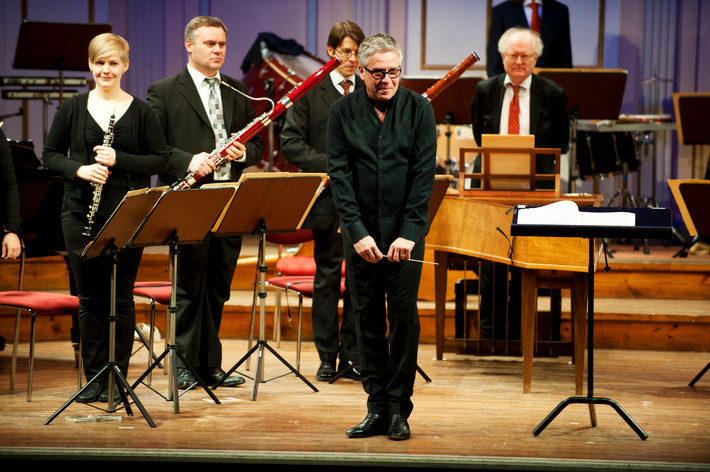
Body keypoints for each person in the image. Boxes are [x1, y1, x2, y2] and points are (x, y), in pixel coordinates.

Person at [42, 33, 169, 403]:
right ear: (90, 65)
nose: (105, 70)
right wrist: (80, 170)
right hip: (79, 213)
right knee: (90, 300)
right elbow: (50, 154)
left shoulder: (142, 111)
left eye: (113, 63)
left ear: (125, 66)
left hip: (127, 213)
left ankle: (117, 379)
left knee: (121, 298)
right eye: (99, 62)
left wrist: (120, 160)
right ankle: (94, 378)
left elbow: (160, 160)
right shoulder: (73, 108)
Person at [327, 33, 437, 440]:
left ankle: (399, 409)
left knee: (403, 320)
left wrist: (409, 233)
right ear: (361, 71)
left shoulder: (418, 109)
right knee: (366, 320)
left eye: (394, 72)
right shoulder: (341, 112)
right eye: (379, 73)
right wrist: (356, 233)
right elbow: (339, 176)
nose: (387, 79)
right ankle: (375, 407)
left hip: (404, 237)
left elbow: (423, 176)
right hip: (361, 237)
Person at [147, 16, 264, 389]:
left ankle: (209, 364)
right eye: (210, 44)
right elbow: (155, 150)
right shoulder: (163, 91)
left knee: (218, 286)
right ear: (189, 45)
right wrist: (188, 160)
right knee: (188, 285)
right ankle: (181, 365)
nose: (218, 51)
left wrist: (246, 152)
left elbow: (260, 144)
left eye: (222, 45)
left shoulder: (237, 89)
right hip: (189, 200)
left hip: (229, 199)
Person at [470, 26, 570, 340]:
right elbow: (478, 134)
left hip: (536, 188)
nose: (519, 61)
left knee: (525, 259)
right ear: (502, 57)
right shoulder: (485, 89)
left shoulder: (553, 93)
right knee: (491, 259)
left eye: (526, 55)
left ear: (536, 58)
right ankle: (490, 332)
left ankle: (521, 331)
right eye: (513, 54)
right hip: (491, 184)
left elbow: (561, 143)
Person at [280, 21, 365, 382]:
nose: (352, 58)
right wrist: (335, 165)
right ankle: (328, 356)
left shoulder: (372, 86)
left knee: (362, 280)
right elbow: (292, 143)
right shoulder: (310, 91)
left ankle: (355, 355)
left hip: (365, 199)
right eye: (346, 51)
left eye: (358, 52)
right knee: (328, 277)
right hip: (327, 197)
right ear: (331, 52)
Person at [486, 0, 572, 78]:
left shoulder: (560, 10)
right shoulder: (502, 11)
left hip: (550, 84)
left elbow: (565, 57)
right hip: (512, 84)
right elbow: (494, 60)